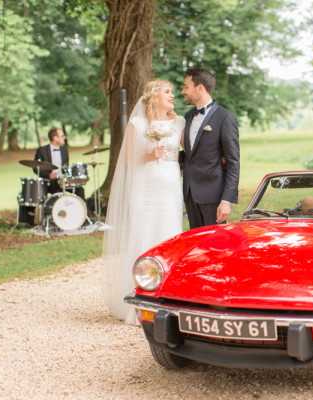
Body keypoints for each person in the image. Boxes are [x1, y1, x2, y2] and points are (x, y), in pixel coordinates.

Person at [103, 79, 185, 324]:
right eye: (167, 92)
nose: (172, 95)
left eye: (172, 92)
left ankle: (168, 299)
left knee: (169, 236)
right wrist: (149, 154)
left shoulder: (179, 122)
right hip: (145, 187)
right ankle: (140, 300)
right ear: (154, 96)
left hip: (169, 187)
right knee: (144, 236)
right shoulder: (137, 124)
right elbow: (128, 161)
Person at [181, 68, 240, 228]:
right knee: (196, 245)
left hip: (213, 195)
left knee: (216, 246)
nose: (183, 91)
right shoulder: (187, 117)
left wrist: (227, 200)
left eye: (186, 87)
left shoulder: (225, 117)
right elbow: (189, 155)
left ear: (200, 88)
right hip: (190, 194)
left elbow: (233, 162)